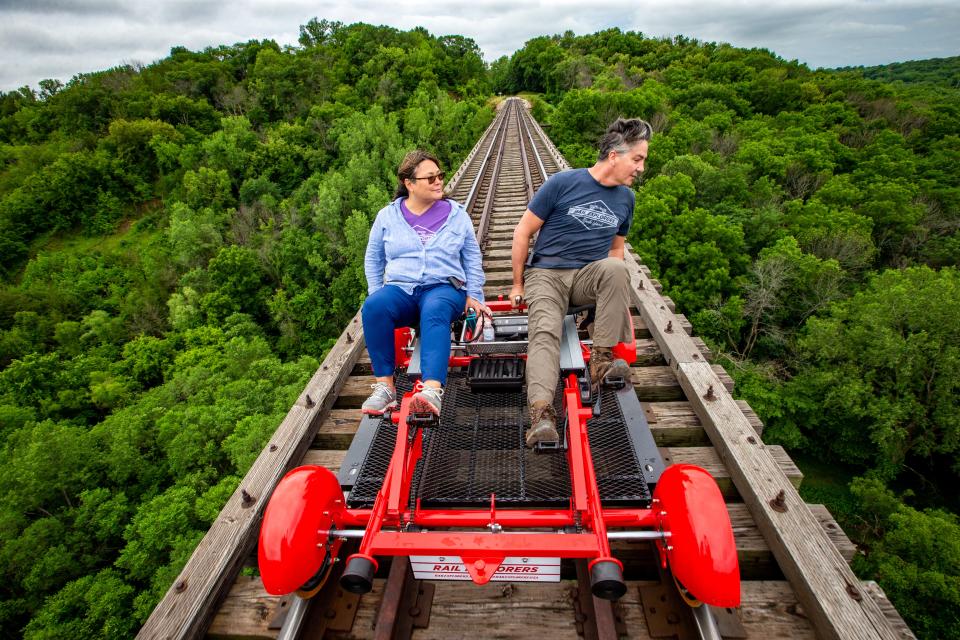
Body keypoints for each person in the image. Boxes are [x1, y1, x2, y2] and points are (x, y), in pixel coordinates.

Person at [510, 118, 652, 447]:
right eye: (638, 159)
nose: (641, 169)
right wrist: (518, 284)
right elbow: (523, 231)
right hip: (547, 274)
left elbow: (616, 250)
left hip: (586, 275)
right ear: (615, 155)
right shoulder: (562, 183)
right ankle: (542, 414)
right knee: (545, 332)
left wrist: (605, 301)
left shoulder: (626, 199)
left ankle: (601, 360)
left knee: (617, 270)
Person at [362, 150, 489, 416]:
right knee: (374, 306)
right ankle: (385, 388)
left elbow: (472, 258)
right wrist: (378, 293)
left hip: (444, 288)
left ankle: (432, 390)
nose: (438, 182)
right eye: (430, 178)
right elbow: (373, 259)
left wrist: (475, 295)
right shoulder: (387, 216)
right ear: (409, 183)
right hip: (402, 290)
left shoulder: (456, 215)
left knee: (435, 308)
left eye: (440, 176)